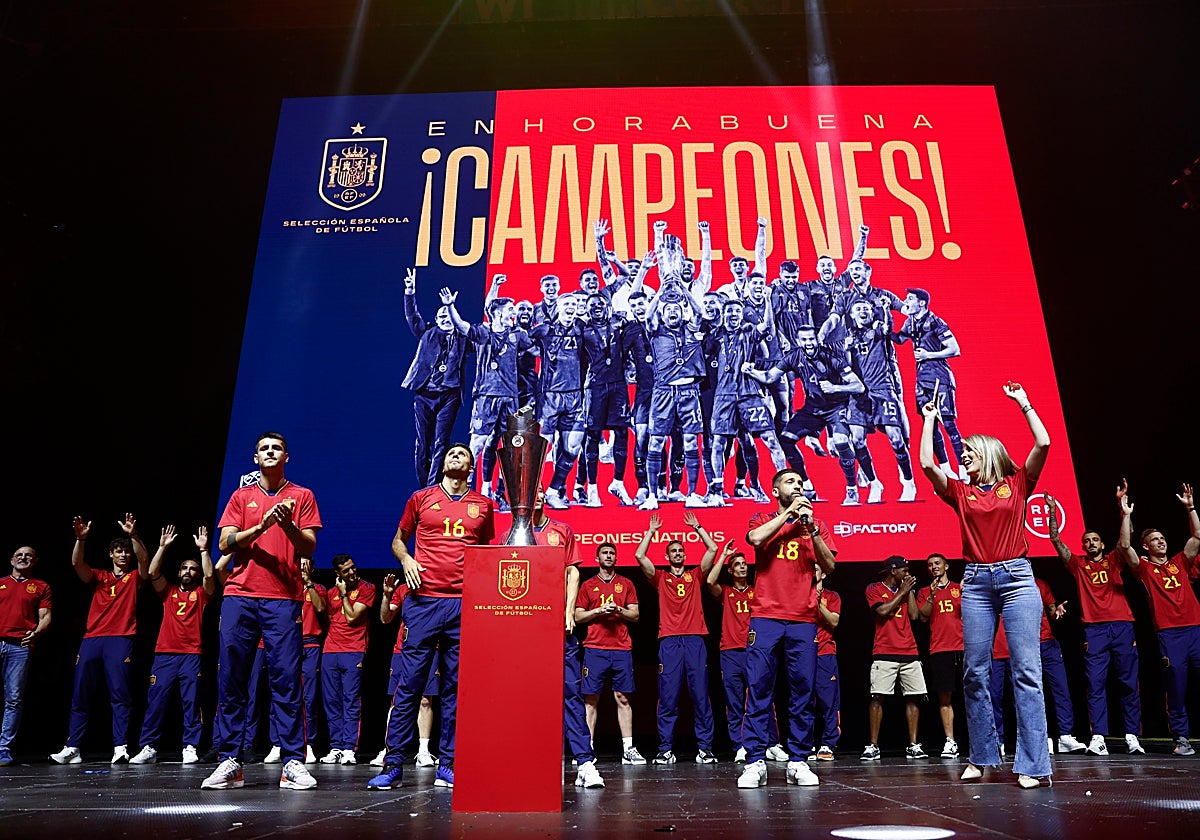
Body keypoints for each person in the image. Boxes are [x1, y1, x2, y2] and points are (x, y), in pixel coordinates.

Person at [919, 381, 1052, 788]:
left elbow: (1043, 443)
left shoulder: (1017, 483)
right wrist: (928, 420)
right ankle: (981, 755)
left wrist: (1024, 403)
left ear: (988, 454)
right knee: (975, 673)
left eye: (968, 453)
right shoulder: (960, 492)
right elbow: (927, 464)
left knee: (1026, 671)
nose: (963, 458)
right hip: (975, 582)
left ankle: (1032, 764)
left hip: (1016, 578)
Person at [368, 443, 495, 791]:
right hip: (423, 603)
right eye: (451, 453)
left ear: (471, 465)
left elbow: (486, 553)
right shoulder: (420, 498)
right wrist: (406, 560)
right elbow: (398, 541)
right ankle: (393, 764)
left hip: (461, 605)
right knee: (409, 686)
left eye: (462, 454)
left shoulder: (483, 505)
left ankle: (448, 764)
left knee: (455, 688)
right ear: (443, 463)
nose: (456, 457)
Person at [203, 432, 321, 791]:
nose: (270, 452)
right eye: (263, 449)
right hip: (240, 596)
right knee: (233, 679)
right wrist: (263, 525)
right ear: (256, 459)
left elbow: (310, 546)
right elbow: (224, 541)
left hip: (283, 598)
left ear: (287, 455)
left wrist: (285, 525)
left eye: (276, 448)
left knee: (286, 679)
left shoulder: (302, 496)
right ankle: (230, 761)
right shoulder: (242, 496)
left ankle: (293, 762)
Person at [737, 469, 836, 788]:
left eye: (800, 482)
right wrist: (790, 515)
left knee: (802, 690)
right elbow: (755, 539)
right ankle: (754, 760)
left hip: (803, 618)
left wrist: (812, 529)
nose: (799, 486)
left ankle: (798, 760)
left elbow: (830, 565)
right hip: (766, 616)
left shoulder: (814, 525)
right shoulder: (762, 518)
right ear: (775, 490)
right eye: (791, 482)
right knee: (759, 687)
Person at [500, 488, 604, 788]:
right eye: (535, 491)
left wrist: (569, 611)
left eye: (543, 492)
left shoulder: (561, 530)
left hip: (557, 626)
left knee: (570, 695)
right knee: (521, 695)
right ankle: (519, 758)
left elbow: (573, 573)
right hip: (522, 628)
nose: (540, 495)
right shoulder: (511, 535)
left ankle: (585, 762)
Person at [1045, 485, 1144, 755]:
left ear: (1102, 543)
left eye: (1095, 540)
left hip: (1123, 626)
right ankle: (1098, 736)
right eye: (1086, 541)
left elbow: (1126, 541)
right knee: (1095, 684)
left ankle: (1132, 736)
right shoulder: (1077, 564)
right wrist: (1052, 512)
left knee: (1127, 682)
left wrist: (1123, 511)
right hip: (1094, 630)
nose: (1090, 544)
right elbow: (1056, 540)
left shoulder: (1115, 559)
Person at [50, 513, 149, 765]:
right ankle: (72, 747)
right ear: (111, 555)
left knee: (119, 694)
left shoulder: (134, 578)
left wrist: (133, 536)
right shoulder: (99, 577)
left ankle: (120, 746)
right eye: (118, 551)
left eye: (126, 552)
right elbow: (77, 564)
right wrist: (80, 539)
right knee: (81, 692)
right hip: (92, 639)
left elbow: (144, 560)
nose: (123, 555)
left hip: (121, 639)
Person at [1118, 482, 1200, 756]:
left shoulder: (1180, 562)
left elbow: (1197, 536)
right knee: (1176, 689)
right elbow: (1125, 546)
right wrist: (1126, 513)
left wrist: (1190, 508)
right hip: (1169, 634)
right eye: (1155, 539)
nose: (1161, 541)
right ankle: (1182, 738)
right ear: (1146, 546)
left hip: (1196, 630)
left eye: (1163, 537)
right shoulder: (1143, 568)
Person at [634, 512, 720, 764]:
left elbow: (713, 548)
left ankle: (705, 749)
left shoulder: (695, 576)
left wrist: (698, 527)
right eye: (673, 551)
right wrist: (650, 532)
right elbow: (640, 556)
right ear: (667, 557)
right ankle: (665, 749)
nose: (678, 554)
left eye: (680, 550)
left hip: (695, 640)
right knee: (668, 697)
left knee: (701, 696)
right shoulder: (660, 578)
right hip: (670, 641)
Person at [129, 525, 216, 764]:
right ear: (179, 573)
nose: (189, 571)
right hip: (164, 654)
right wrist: (163, 547)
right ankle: (148, 746)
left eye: (193, 569)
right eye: (185, 568)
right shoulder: (168, 592)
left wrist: (204, 550)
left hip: (191, 654)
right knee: (155, 701)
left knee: (191, 702)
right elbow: (152, 571)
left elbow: (210, 576)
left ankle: (190, 746)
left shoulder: (201, 594)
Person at [575, 542, 643, 764]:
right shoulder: (587, 585)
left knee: (623, 698)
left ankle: (628, 749)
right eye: (605, 553)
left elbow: (635, 615)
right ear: (597, 558)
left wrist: (619, 610)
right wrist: (598, 611)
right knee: (591, 699)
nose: (609, 556)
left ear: (616, 558)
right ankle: (587, 750)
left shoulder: (626, 584)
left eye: (612, 553)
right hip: (595, 648)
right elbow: (577, 616)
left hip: (621, 648)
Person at [401, 266, 470, 488]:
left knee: (442, 442)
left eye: (448, 315)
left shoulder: (462, 337)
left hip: (449, 395)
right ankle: (424, 488)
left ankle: (433, 486)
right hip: (424, 394)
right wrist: (410, 292)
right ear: (436, 319)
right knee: (423, 444)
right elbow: (412, 315)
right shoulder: (426, 332)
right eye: (441, 315)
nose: (445, 318)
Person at [862, 556, 928, 761]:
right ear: (893, 571)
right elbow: (882, 611)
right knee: (877, 697)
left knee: (913, 698)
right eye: (904, 570)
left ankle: (914, 745)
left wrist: (909, 593)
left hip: (910, 651)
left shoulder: (907, 590)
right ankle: (873, 746)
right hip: (884, 651)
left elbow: (916, 616)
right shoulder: (873, 588)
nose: (908, 574)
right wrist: (902, 592)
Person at [319, 554, 375, 765]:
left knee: (351, 701)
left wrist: (344, 595)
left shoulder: (367, 588)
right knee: (331, 701)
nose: (352, 572)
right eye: (346, 571)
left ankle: (349, 748)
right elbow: (327, 621)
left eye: (353, 568)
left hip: (354, 650)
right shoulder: (330, 593)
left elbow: (352, 617)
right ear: (337, 574)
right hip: (330, 650)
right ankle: (336, 747)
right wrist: (339, 594)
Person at [0, 545, 51, 765]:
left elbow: (46, 616)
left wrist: (36, 632)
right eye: (19, 555)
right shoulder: (0, 583)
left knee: (13, 699)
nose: (23, 558)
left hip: (19, 646)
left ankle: (3, 749)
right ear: (12, 560)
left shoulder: (40, 586)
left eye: (28, 555)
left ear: (35, 561)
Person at [916, 553, 963, 759]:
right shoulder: (924, 591)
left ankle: (982, 740)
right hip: (940, 649)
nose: (933, 567)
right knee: (945, 698)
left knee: (974, 696)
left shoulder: (958, 587)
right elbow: (923, 616)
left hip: (963, 648)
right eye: (929, 565)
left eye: (937, 563)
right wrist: (932, 595)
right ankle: (950, 741)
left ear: (946, 565)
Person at [1033, 578, 1087, 755]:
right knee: (1033, 695)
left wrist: (1056, 612)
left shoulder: (1041, 584)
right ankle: (1042, 738)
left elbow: (1052, 611)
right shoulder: (1011, 583)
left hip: (1048, 645)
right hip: (1026, 647)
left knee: (1061, 690)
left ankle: (1065, 736)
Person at [812, 562, 842, 761]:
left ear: (823, 574)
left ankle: (828, 743)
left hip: (825, 653)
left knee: (828, 702)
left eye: (815, 568)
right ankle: (804, 744)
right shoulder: (797, 596)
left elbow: (834, 621)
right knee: (802, 702)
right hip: (802, 655)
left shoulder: (831, 596)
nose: (812, 572)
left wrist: (818, 605)